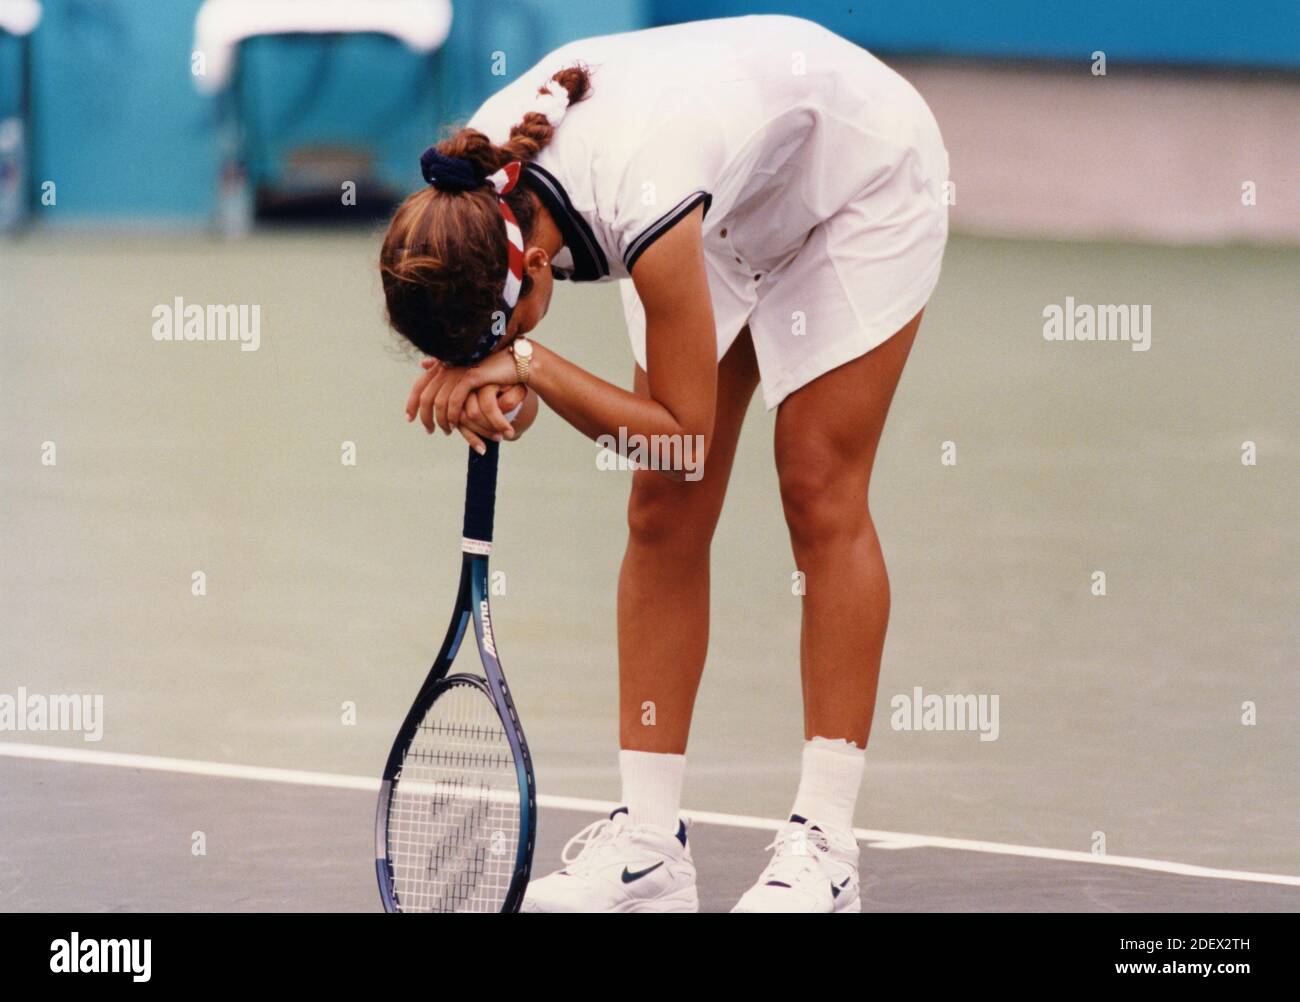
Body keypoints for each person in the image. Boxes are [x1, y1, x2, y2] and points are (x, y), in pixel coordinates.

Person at [380, 14, 948, 912]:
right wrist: (498, 376)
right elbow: (653, 454)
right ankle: (648, 847)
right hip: (725, 200)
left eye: (514, 324)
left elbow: (677, 432)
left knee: (815, 484)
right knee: (661, 511)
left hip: (857, 178)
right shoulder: (466, 195)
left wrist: (527, 366)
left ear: (528, 265)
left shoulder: (639, 193)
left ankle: (826, 844)